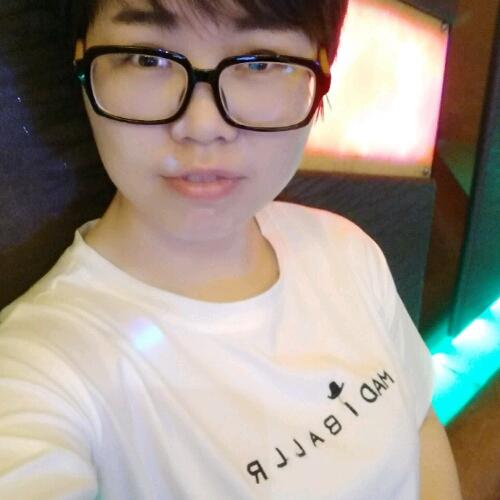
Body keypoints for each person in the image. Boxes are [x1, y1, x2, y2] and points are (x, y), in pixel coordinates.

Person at [0, 0, 462, 498]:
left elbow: (418, 423)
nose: (203, 126)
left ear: (322, 70)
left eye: (260, 63)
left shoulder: (346, 249)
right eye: (147, 58)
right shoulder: (39, 372)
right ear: (83, 64)